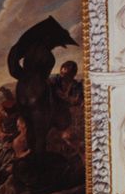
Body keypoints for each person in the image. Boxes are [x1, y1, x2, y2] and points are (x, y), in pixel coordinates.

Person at [6, 16, 77, 160]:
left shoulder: (28, 49)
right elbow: (44, 77)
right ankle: (39, 159)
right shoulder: (47, 55)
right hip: (38, 90)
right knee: (40, 130)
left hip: (22, 89)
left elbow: (13, 66)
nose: (55, 46)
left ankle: (32, 156)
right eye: (55, 43)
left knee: (29, 125)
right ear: (49, 38)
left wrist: (23, 77)